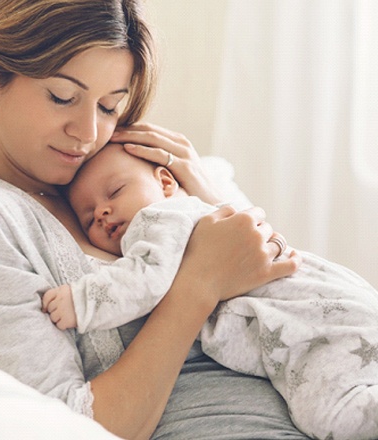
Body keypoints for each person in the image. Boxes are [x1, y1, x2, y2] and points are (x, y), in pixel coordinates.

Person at [0, 1, 308, 439]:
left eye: (110, 107)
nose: (88, 133)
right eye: (62, 97)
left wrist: (207, 193)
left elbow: (284, 283)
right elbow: (66, 425)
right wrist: (199, 284)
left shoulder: (122, 170)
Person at [43, 142, 378, 440]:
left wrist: (82, 300)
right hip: (329, 312)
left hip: (312, 319)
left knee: (336, 415)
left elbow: (143, 281)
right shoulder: (200, 218)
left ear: (165, 182)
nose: (101, 211)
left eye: (115, 191)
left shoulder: (159, 219)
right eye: (88, 218)